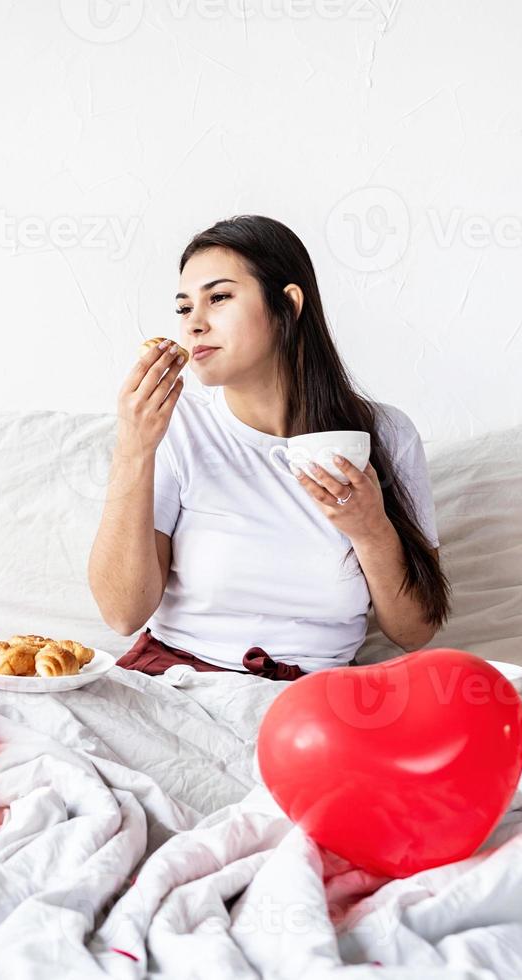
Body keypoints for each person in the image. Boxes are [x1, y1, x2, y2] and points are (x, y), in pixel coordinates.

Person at [87, 215, 450, 681]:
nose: (194, 324)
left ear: (288, 305)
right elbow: (123, 614)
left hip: (316, 697)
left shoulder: (385, 436)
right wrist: (134, 450)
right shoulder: (175, 426)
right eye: (183, 308)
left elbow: (415, 632)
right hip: (179, 684)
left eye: (218, 298)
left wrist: (371, 530)